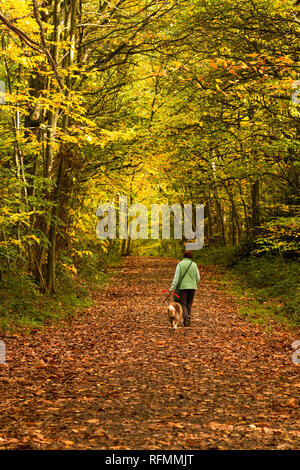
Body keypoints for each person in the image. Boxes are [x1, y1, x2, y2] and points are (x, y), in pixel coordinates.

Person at [169, 250, 200, 327]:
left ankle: (186, 317)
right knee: (189, 303)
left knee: (183, 303)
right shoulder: (194, 264)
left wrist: (172, 288)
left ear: (183, 256)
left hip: (183, 287)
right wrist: (193, 283)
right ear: (191, 257)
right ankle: (187, 321)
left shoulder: (180, 264)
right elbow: (198, 278)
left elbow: (176, 278)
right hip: (192, 287)